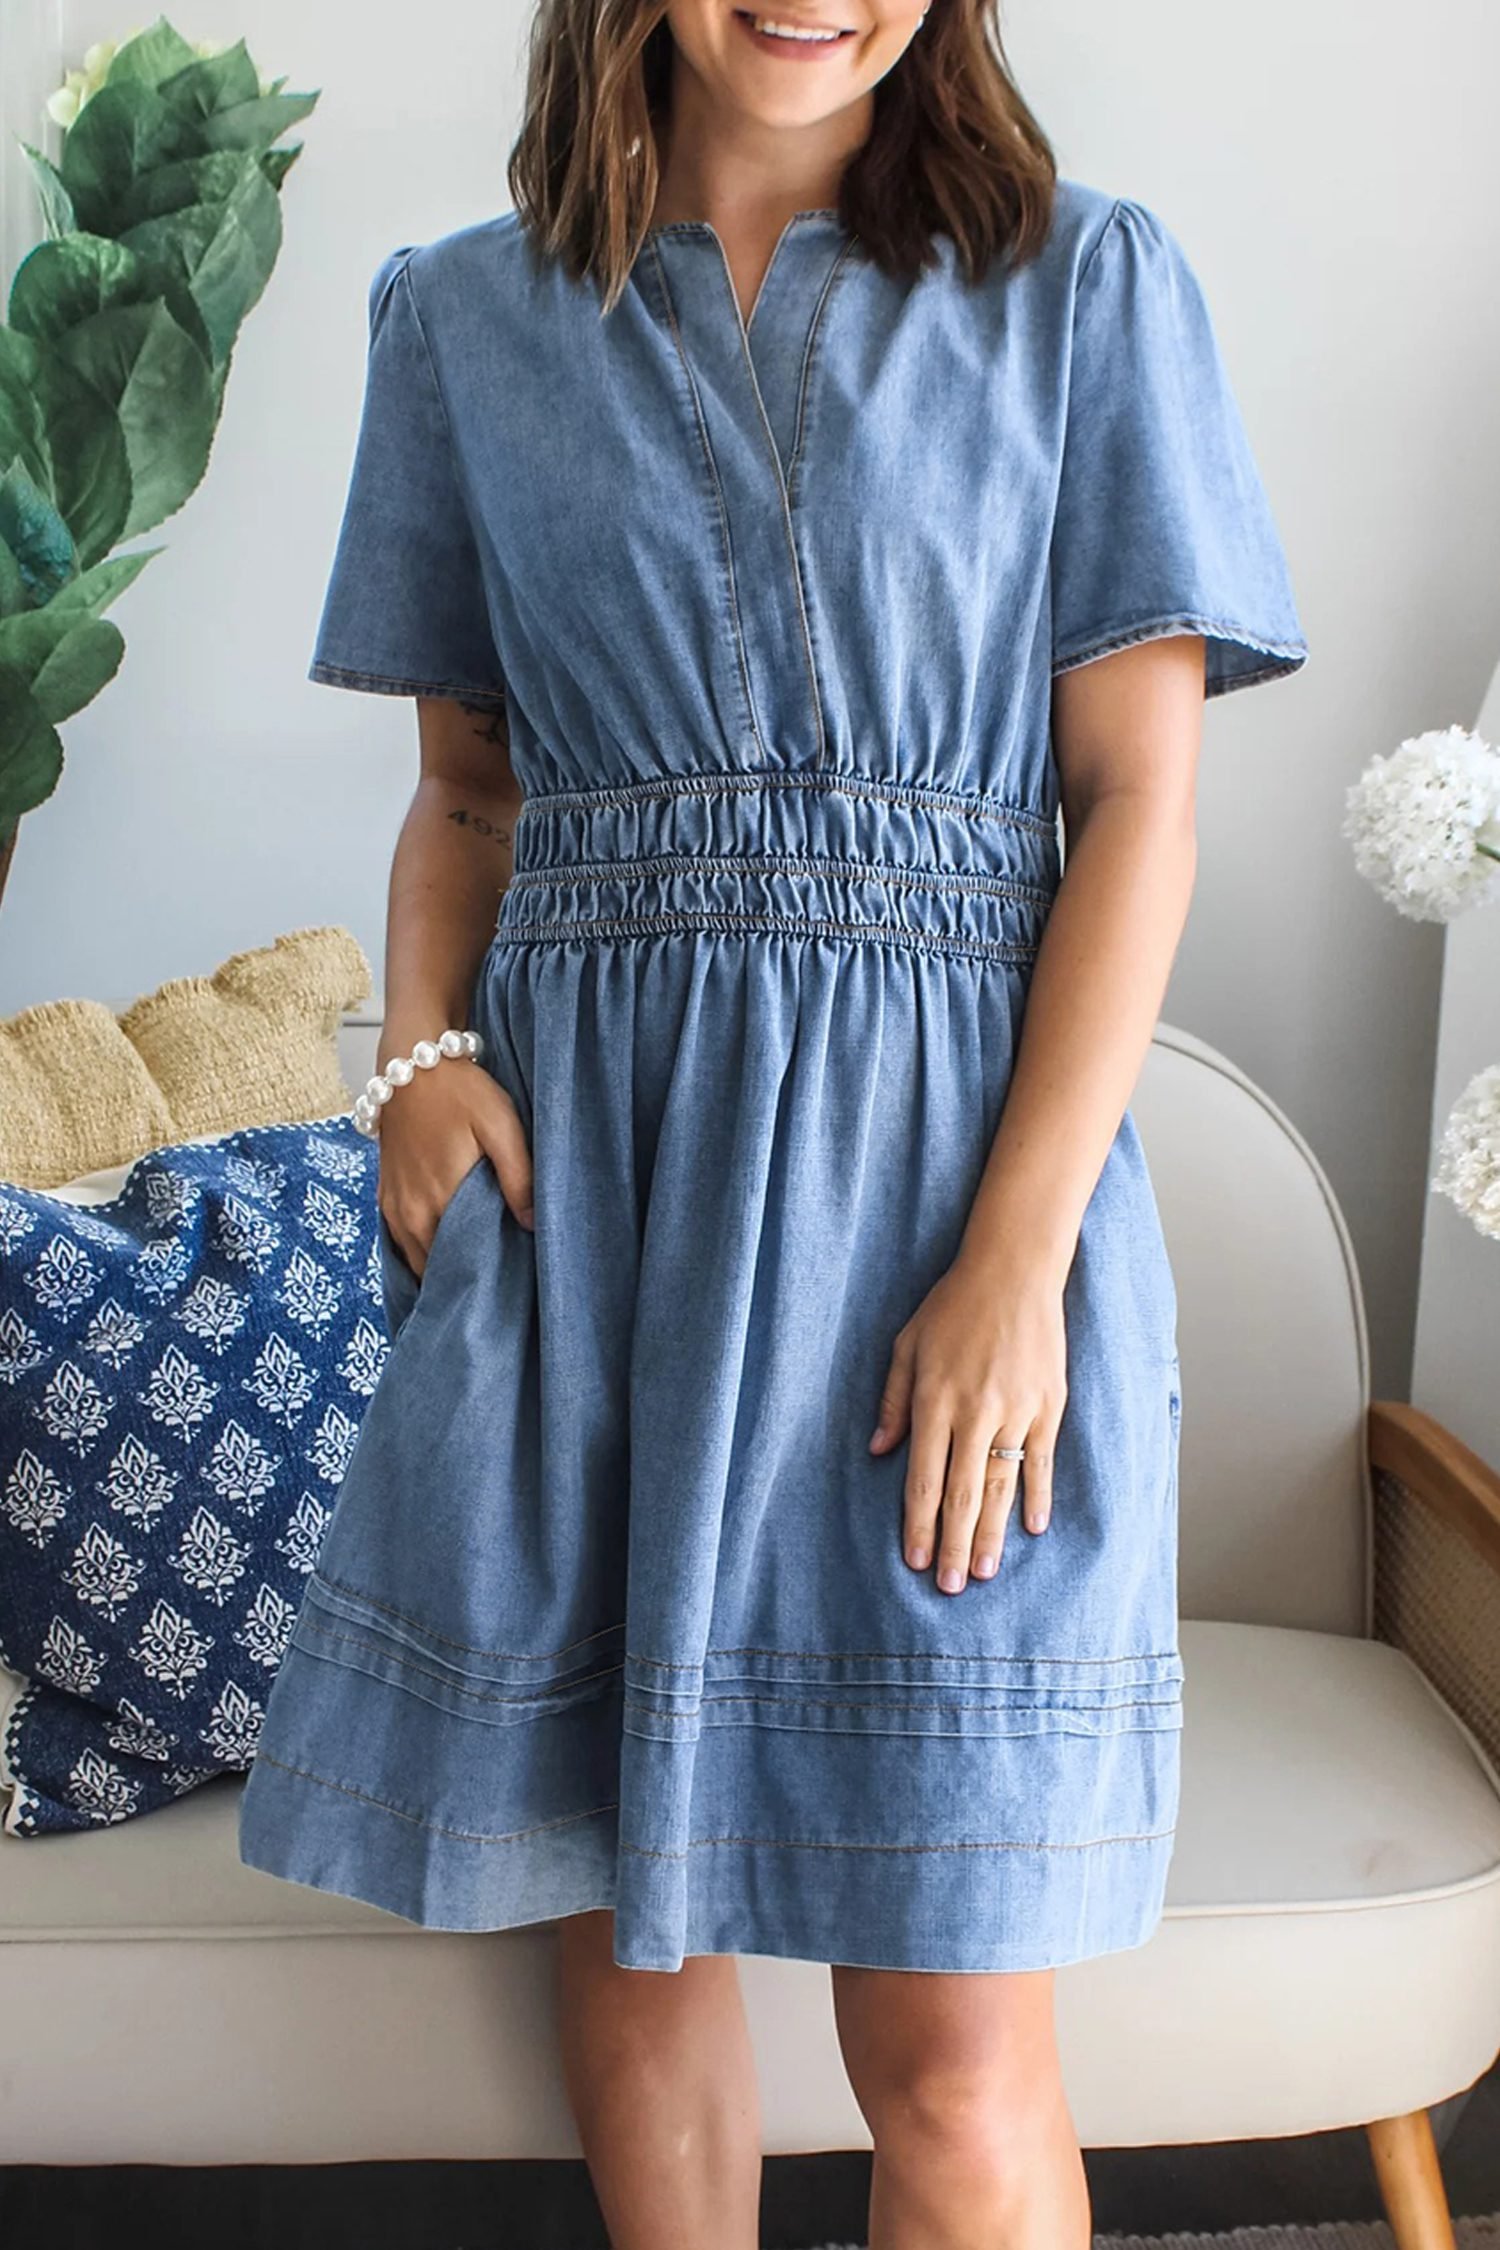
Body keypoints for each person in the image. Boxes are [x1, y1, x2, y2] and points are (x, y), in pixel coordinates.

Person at [237, 0, 1309, 2234]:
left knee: (955, 2051)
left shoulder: (1083, 286)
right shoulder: (460, 318)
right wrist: (415, 1062)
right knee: (636, 1964)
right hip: (595, 1212)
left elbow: (1138, 807)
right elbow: (464, 788)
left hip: (953, 1219)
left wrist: (1017, 1263)